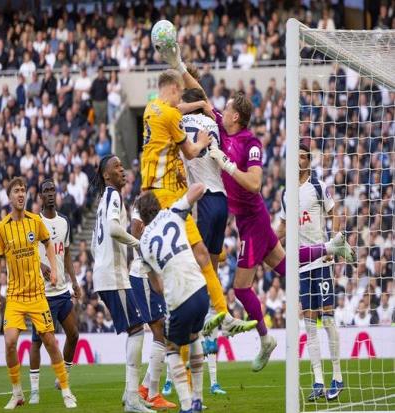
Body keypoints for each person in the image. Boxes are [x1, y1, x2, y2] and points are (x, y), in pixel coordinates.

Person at [207, 93, 355, 371]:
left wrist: (225, 163)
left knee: (241, 288)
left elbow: (254, 184)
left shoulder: (250, 143)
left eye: (226, 109)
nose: (221, 111)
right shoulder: (222, 127)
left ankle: (266, 339)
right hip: (251, 221)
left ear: (235, 116)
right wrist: (181, 72)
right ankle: (329, 248)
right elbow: (204, 102)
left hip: (253, 220)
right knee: (288, 267)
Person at [140, 67, 252, 337]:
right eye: (178, 93)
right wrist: (201, 141)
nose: (179, 99)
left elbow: (177, 111)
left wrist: (200, 103)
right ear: (174, 89)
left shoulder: (150, 109)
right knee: (197, 257)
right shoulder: (173, 116)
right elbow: (190, 152)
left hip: (154, 194)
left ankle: (213, 316)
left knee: (195, 256)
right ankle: (207, 315)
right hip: (170, 196)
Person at [136, 183, 250, 413]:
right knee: (194, 337)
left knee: (172, 348)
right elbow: (198, 188)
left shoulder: (143, 243)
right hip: (200, 288)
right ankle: (197, 399)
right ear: (158, 206)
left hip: (179, 295)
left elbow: (157, 286)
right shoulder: (173, 213)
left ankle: (187, 406)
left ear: (142, 218)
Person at [276, 142, 354, 401]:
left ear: (308, 161)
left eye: (302, 157)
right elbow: (283, 227)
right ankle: (318, 380)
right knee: (309, 324)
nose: (298, 161)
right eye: (295, 157)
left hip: (321, 260)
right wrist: (267, 243)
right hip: (302, 265)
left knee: (328, 319)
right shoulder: (286, 194)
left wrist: (334, 242)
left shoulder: (318, 186)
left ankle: (337, 376)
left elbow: (334, 213)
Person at [0, 177, 76, 410]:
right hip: (15, 296)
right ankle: (17, 393)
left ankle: (66, 391)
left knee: (50, 341)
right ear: (9, 197)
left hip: (38, 294)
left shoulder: (35, 221)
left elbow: (48, 244)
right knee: (10, 342)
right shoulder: (2, 227)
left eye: (23, 190)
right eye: (16, 191)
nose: (21, 194)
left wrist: (54, 270)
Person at [91, 154, 155, 413]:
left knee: (135, 329)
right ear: (106, 175)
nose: (122, 169)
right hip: (113, 275)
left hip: (107, 273)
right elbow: (114, 230)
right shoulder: (113, 196)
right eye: (116, 166)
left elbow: (95, 243)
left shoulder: (103, 200)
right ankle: (132, 397)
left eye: (122, 165)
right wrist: (138, 244)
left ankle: (130, 394)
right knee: (137, 330)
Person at [180, 87, 229, 395]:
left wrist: (195, 102)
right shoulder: (214, 122)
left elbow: (172, 110)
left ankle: (175, 373)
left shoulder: (181, 121)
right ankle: (213, 378)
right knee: (211, 284)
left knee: (190, 289)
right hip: (221, 201)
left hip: (201, 202)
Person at [28, 178, 81, 404]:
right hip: (42, 293)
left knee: (74, 334)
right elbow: (27, 253)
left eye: (52, 190)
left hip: (61, 291)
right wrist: (41, 266)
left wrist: (74, 281)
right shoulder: (34, 222)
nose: (50, 193)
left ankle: (63, 377)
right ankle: (34, 390)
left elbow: (66, 254)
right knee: (37, 342)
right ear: (40, 196)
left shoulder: (64, 222)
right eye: (46, 191)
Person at [130, 209, 176, 410]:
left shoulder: (159, 203)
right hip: (144, 275)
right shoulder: (143, 202)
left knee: (163, 331)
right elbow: (134, 230)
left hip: (151, 274)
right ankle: (153, 394)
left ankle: (146, 388)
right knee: (160, 330)